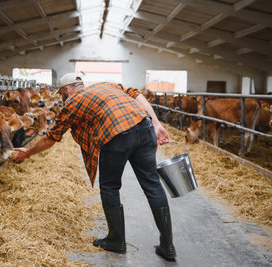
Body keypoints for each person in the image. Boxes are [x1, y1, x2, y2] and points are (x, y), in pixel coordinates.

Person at [12, 72, 176, 261]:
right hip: (144, 127)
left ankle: (116, 240)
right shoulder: (107, 84)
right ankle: (168, 246)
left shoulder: (71, 103)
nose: (62, 98)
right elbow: (136, 93)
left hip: (116, 135)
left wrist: (28, 152)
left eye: (62, 94)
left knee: (110, 187)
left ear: (66, 90)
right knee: (153, 185)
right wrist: (156, 123)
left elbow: (52, 137)